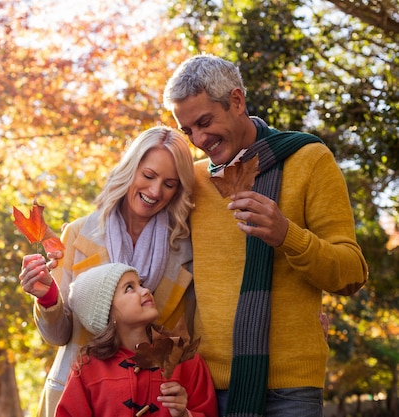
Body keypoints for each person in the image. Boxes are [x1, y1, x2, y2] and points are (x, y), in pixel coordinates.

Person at [162, 54, 368, 417]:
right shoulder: (191, 180)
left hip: (292, 389)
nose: (199, 139)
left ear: (237, 101)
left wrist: (287, 234)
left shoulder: (309, 160)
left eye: (205, 122)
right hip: (208, 385)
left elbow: (351, 273)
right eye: (188, 130)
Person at [19, 126, 197, 417]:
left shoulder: (184, 249)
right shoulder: (79, 233)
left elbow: (183, 339)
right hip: (78, 396)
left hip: (153, 401)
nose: (155, 191)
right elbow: (57, 335)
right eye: (149, 176)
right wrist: (47, 298)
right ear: (130, 169)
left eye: (170, 184)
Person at [56, 262, 218, 417]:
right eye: (129, 288)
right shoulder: (87, 369)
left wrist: (184, 414)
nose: (146, 290)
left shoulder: (185, 361)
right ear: (107, 311)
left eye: (140, 284)